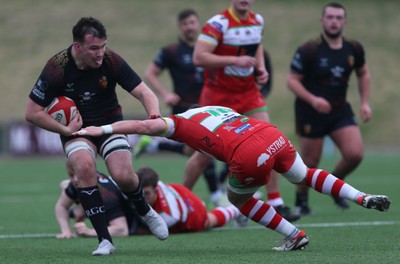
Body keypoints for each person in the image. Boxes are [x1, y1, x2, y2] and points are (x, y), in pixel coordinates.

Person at [73, 105, 391, 251]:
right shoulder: (215, 109)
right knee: (304, 175)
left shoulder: (179, 123)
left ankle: (294, 234)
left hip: (247, 152)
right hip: (270, 133)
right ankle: (360, 196)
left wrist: (103, 129)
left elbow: (144, 127)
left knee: (239, 199)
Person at [25, 16, 168, 256]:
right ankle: (105, 240)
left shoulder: (110, 60)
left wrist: (154, 115)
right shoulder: (56, 68)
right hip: (77, 131)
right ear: (77, 46)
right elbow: (32, 112)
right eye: (94, 48)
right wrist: (65, 130)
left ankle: (144, 210)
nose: (100, 53)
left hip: (110, 124)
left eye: (102, 46)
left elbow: (145, 92)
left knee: (123, 175)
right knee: (83, 166)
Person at [192, 0, 298, 221]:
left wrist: (260, 67)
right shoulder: (218, 23)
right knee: (204, 155)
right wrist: (235, 60)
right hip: (218, 95)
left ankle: (276, 202)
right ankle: (182, 196)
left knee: (270, 140)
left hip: (248, 93)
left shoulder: (257, 20)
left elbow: (256, 46)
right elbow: (199, 57)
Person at [287, 2, 372, 215]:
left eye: (338, 18)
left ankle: (336, 185)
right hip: (310, 112)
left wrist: (364, 102)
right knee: (309, 163)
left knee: (355, 154)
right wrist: (313, 99)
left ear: (344, 22)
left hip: (339, 110)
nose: (334, 21)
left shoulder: (354, 48)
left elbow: (363, 73)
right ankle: (302, 201)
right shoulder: (310, 49)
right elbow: (292, 80)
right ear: (322, 20)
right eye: (330, 17)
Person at [141, 8, 222, 206]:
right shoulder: (171, 51)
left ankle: (155, 145)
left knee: (192, 151)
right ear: (180, 27)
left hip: (206, 107)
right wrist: (166, 94)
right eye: (185, 23)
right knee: (205, 146)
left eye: (192, 22)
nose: (189, 27)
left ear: (198, 25)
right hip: (184, 109)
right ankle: (215, 195)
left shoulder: (207, 50)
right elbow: (149, 73)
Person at [137, 167, 247, 233]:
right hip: (179, 193)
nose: (142, 197)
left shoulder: (168, 216)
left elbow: (150, 230)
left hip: (192, 214)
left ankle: (238, 210)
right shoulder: (153, 186)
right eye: (140, 192)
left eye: (146, 193)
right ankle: (238, 209)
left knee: (208, 221)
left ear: (156, 189)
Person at [55, 161, 149, 238]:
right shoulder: (79, 180)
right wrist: (66, 231)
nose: (75, 179)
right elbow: (61, 206)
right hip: (106, 201)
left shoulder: (107, 196)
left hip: (138, 224)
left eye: (77, 174)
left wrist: (89, 232)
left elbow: (122, 230)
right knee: (64, 185)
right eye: (71, 175)